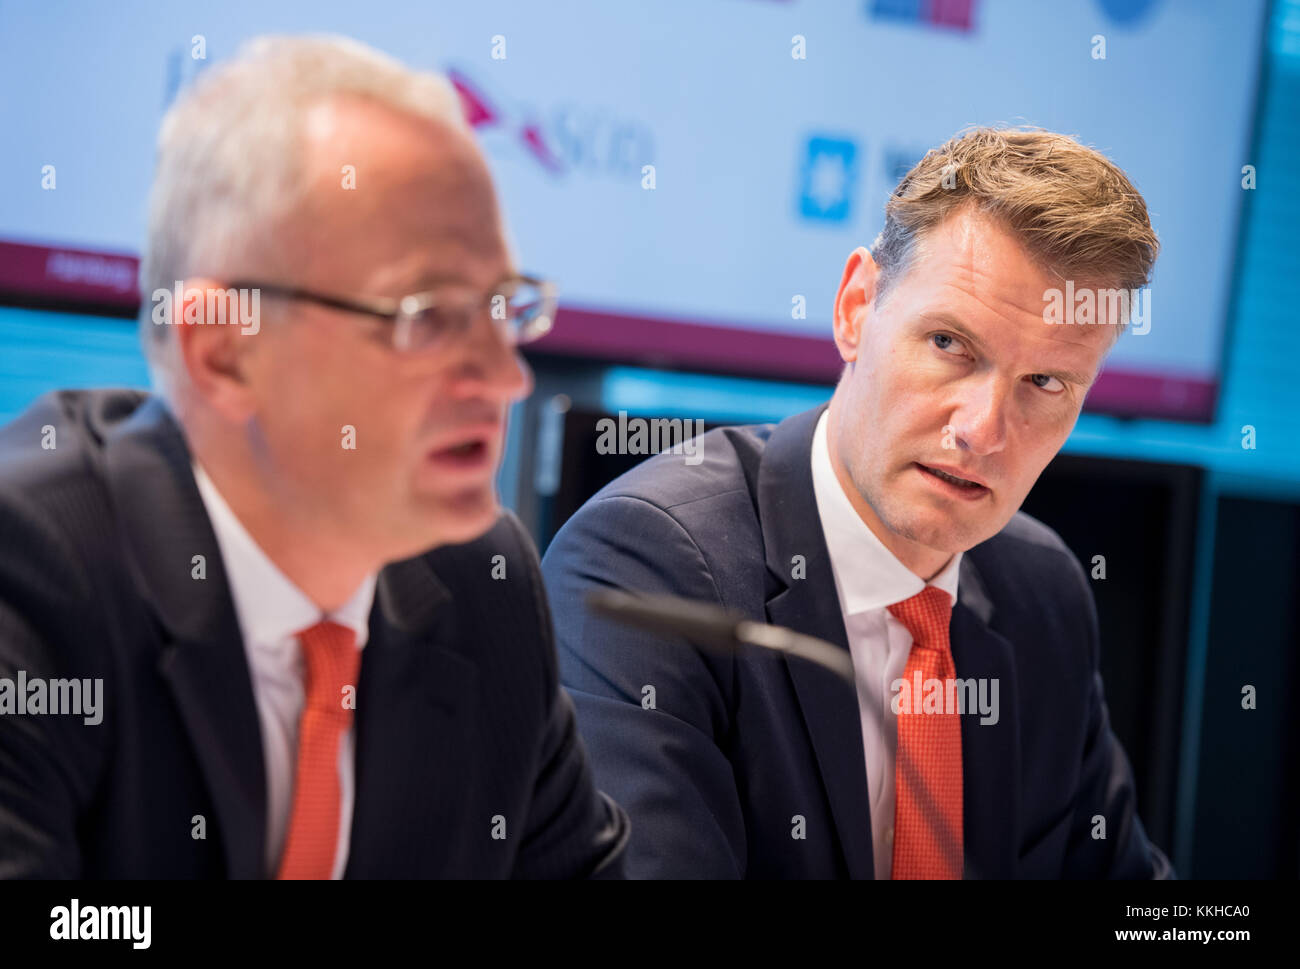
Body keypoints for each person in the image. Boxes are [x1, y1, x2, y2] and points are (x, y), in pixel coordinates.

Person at [0, 35, 627, 879]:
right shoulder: (30, 571)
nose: (505, 376)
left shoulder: (486, 586)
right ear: (224, 350)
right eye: (428, 314)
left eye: (501, 308)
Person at [543, 126, 1173, 879]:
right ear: (854, 307)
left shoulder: (1042, 592)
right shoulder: (647, 561)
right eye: (949, 344)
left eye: (1046, 384)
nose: (982, 431)